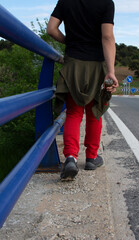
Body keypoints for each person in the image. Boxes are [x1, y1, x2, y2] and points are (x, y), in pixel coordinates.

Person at [47, 0, 119, 180]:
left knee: (73, 113)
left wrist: (69, 42)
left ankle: (70, 158)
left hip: (73, 63)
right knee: (95, 112)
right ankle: (91, 158)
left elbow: (51, 29)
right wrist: (110, 71)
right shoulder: (106, 3)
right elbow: (107, 37)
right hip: (97, 64)